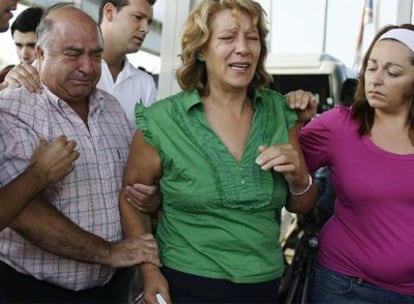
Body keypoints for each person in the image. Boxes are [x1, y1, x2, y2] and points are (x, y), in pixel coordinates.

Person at [119, 1, 317, 303]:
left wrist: (300, 177)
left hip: (263, 286)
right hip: (184, 284)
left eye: (252, 37)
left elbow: (300, 205)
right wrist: (149, 271)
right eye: (227, 38)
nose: (243, 48)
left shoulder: (280, 111)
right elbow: (133, 201)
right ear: (201, 49)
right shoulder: (162, 122)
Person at [0, 4, 160, 303]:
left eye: (96, 55)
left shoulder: (112, 108)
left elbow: (127, 187)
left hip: (110, 288)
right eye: (73, 54)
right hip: (34, 291)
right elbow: (21, 212)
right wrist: (108, 252)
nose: (88, 67)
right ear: (41, 55)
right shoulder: (13, 109)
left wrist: (150, 198)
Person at [298, 24, 414, 302]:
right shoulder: (340, 125)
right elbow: (286, 169)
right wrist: (295, 121)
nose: (376, 79)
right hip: (345, 285)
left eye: (393, 72)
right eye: (372, 67)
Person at [2, 0, 158, 125]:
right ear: (110, 12)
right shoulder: (32, 77)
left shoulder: (144, 84)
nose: (145, 29)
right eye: (137, 17)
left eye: (149, 22)